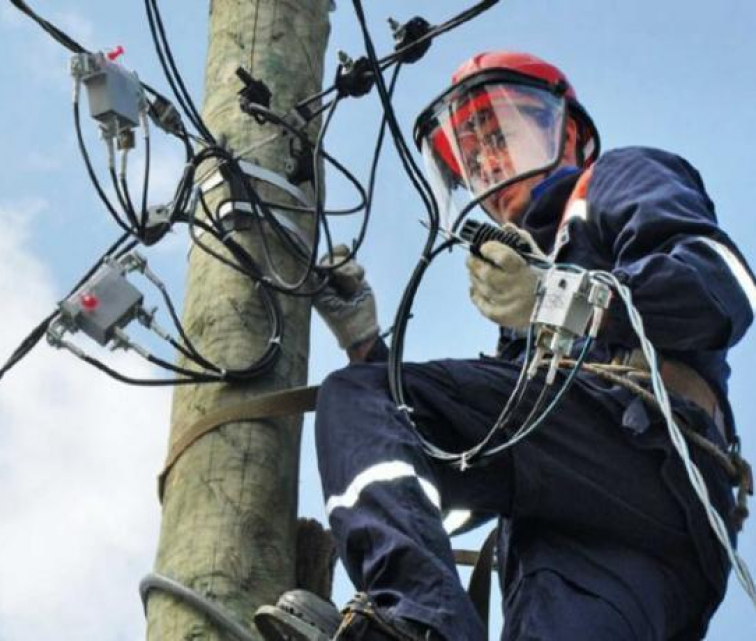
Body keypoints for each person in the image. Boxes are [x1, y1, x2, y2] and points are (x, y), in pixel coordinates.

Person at [265, 51, 756, 640]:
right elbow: (456, 459)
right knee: (375, 397)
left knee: (360, 399)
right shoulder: (523, 301)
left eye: (500, 133)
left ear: (566, 133)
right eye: (471, 157)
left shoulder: (617, 180)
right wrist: (366, 342)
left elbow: (721, 290)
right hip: (598, 548)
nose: (488, 164)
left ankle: (422, 620)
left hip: (649, 456)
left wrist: (558, 296)